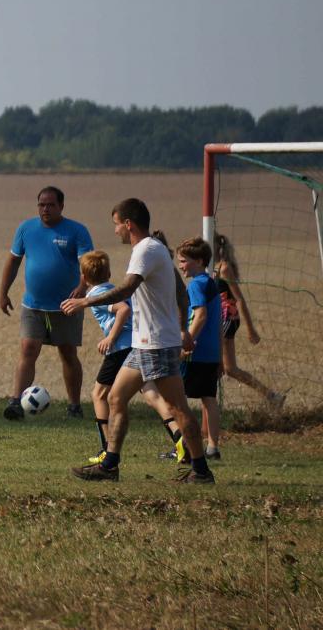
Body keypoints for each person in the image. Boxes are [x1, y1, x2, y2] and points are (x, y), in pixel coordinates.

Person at [60, 198, 214, 484]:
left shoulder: (144, 250)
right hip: (144, 343)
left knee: (177, 407)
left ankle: (201, 470)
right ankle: (109, 466)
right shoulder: (156, 249)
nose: (115, 230)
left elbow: (127, 289)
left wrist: (85, 301)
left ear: (128, 224)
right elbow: (180, 292)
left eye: (117, 224)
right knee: (115, 397)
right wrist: (182, 329)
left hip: (156, 344)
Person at [0, 186, 94, 420]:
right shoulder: (26, 229)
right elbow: (13, 261)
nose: (45, 209)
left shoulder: (77, 231)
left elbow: (89, 265)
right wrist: (3, 292)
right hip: (33, 305)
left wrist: (82, 288)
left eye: (51, 205)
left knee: (68, 353)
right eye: (41, 204)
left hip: (66, 306)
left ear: (61, 206)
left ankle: (74, 406)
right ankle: (15, 402)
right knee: (28, 349)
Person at [213, 233, 285, 407]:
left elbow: (239, 299)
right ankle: (272, 397)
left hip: (227, 318)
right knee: (230, 369)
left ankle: (209, 408)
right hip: (219, 319)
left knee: (217, 364)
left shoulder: (224, 268)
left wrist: (250, 328)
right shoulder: (210, 267)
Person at [79, 251, 132, 464]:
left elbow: (123, 310)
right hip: (136, 345)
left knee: (99, 394)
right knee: (151, 393)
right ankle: (179, 437)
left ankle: (107, 449)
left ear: (83, 277)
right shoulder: (112, 289)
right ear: (109, 273)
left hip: (120, 348)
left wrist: (110, 338)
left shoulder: (98, 295)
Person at [177, 237, 224, 460]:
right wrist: (220, 356)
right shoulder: (210, 283)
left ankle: (184, 446)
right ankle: (213, 448)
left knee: (175, 399)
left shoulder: (196, 284)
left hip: (194, 353)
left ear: (198, 261)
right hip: (211, 353)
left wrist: (187, 341)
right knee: (208, 398)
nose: (180, 266)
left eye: (183, 261)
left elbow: (201, 315)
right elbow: (218, 324)